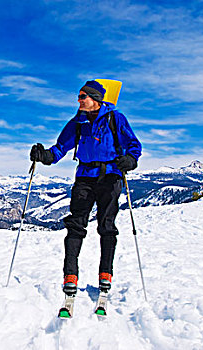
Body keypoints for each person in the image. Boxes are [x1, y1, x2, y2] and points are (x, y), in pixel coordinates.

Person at [30, 80, 142, 296]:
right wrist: (43, 156)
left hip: (110, 177)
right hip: (84, 177)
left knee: (106, 226)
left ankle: (105, 274)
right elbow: (60, 148)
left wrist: (130, 159)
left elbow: (133, 145)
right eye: (79, 96)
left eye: (83, 96)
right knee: (75, 225)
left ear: (96, 99)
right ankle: (70, 274)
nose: (79, 100)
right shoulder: (78, 122)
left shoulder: (115, 118)